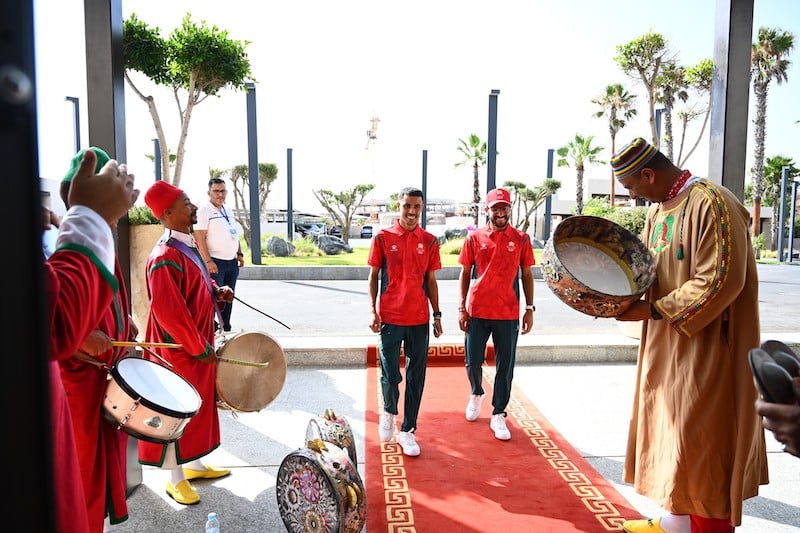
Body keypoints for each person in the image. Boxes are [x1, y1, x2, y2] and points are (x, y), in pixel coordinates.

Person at [611, 137, 768, 533]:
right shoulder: (657, 211)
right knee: (668, 432)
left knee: (701, 442)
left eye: (632, 186)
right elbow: (647, 272)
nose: (632, 195)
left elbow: (720, 280)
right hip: (665, 343)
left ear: (649, 174)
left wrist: (650, 309)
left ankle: (704, 528)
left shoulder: (713, 202)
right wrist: (611, 296)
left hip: (708, 346)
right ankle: (673, 521)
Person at [46, 148, 139, 532]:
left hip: (102, 378)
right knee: (78, 478)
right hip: (75, 386)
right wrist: (84, 337)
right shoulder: (56, 237)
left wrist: (126, 327)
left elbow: (110, 297)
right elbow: (59, 319)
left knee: (95, 477)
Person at [139, 180, 234, 505]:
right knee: (177, 413)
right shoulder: (163, 255)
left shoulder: (186, 245)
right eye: (186, 204)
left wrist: (215, 290)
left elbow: (196, 282)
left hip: (195, 345)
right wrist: (198, 347)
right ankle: (175, 479)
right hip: (177, 351)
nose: (193, 207)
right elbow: (170, 313)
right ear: (167, 214)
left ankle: (194, 465)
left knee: (199, 410)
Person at [367, 186, 442, 457]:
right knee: (390, 373)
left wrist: (437, 314)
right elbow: (374, 276)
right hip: (390, 317)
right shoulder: (384, 238)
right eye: (407, 206)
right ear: (398, 206)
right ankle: (389, 411)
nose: (411, 212)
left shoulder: (431, 241)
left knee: (415, 377)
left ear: (422, 209)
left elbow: (431, 282)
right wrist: (373, 311)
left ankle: (408, 429)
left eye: (417, 207)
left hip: (419, 319)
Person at [458, 187, 535, 441]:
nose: (500, 212)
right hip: (478, 309)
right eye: (496, 208)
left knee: (506, 366)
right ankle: (476, 392)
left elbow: (526, 274)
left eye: (504, 207)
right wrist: (462, 307)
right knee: (472, 361)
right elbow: (465, 272)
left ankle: (499, 413)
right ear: (487, 210)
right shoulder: (474, 238)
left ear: (509, 209)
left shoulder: (521, 238)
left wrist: (529, 308)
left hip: (507, 312)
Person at [195, 177, 244, 332]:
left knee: (228, 298)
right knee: (214, 300)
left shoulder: (227, 209)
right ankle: (210, 330)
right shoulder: (204, 210)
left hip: (231, 262)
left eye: (222, 191)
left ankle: (226, 328)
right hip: (216, 263)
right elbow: (199, 237)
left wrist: (240, 253)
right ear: (209, 192)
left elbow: (233, 233)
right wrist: (208, 261)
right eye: (216, 191)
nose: (219, 194)